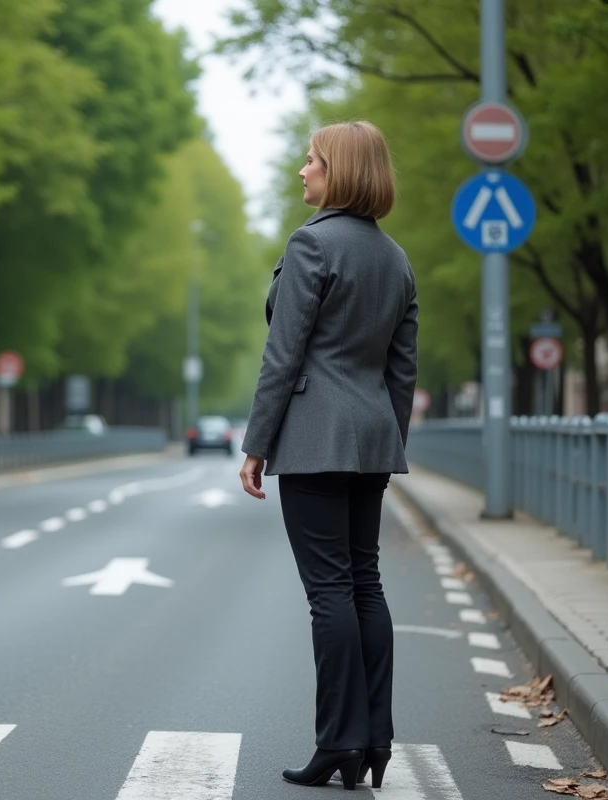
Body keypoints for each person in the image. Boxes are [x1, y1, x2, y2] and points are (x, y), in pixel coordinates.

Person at [237, 120, 419, 791]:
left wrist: (257, 444)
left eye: (311, 159)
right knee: (365, 583)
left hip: (314, 440)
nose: (302, 170)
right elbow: (402, 369)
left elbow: (282, 355)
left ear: (336, 171)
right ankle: (375, 741)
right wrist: (388, 440)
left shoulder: (311, 243)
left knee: (330, 593)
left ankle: (339, 741)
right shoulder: (395, 258)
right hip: (372, 438)